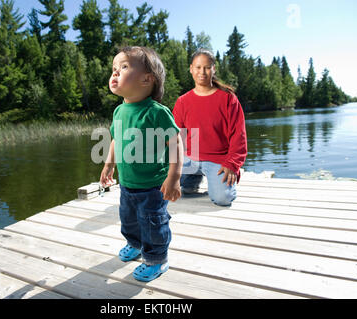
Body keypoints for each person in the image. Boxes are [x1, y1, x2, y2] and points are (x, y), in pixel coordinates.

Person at [100, 46, 183, 282]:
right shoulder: (119, 112)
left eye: (123, 67)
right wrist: (109, 165)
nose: (115, 73)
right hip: (127, 184)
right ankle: (135, 245)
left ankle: (157, 259)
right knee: (129, 220)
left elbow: (176, 144)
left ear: (147, 79)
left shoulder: (157, 112)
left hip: (153, 186)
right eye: (114, 69)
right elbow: (116, 139)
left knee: (153, 224)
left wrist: (173, 178)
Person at [172, 49, 247, 206]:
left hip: (219, 160)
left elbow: (238, 136)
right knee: (160, 185)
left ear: (214, 68)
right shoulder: (182, 101)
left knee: (222, 199)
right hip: (189, 159)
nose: (202, 72)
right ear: (191, 69)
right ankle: (191, 181)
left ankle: (218, 181)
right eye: (198, 67)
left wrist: (232, 164)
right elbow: (177, 138)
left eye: (207, 67)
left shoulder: (228, 99)